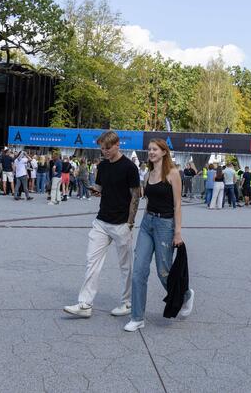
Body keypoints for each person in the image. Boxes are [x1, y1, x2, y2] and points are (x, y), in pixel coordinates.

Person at [64, 131, 141, 319]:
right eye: (101, 148)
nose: (104, 151)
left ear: (117, 145)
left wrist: (130, 222)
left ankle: (127, 302)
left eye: (107, 148)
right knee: (92, 261)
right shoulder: (103, 166)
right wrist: (94, 189)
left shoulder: (130, 167)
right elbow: (100, 187)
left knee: (126, 266)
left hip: (121, 222)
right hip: (101, 221)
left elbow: (135, 195)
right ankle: (85, 304)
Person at [125, 138, 194, 332]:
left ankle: (186, 294)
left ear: (164, 152)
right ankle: (137, 317)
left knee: (164, 273)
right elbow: (144, 198)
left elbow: (177, 205)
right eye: (149, 150)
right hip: (148, 223)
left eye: (155, 149)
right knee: (139, 270)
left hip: (166, 225)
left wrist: (177, 232)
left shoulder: (173, 174)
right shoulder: (148, 174)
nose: (151, 152)